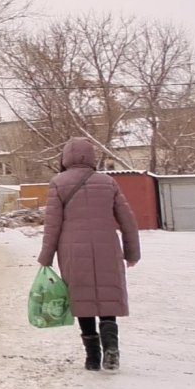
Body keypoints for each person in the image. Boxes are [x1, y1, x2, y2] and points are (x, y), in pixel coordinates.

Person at [37, 137, 141, 371]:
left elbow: (52, 224)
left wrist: (46, 257)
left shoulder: (58, 183)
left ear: (66, 158)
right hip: (107, 246)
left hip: (73, 248)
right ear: (92, 156)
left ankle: (92, 357)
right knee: (106, 299)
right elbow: (128, 221)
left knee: (82, 299)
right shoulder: (108, 182)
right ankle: (111, 349)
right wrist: (132, 253)